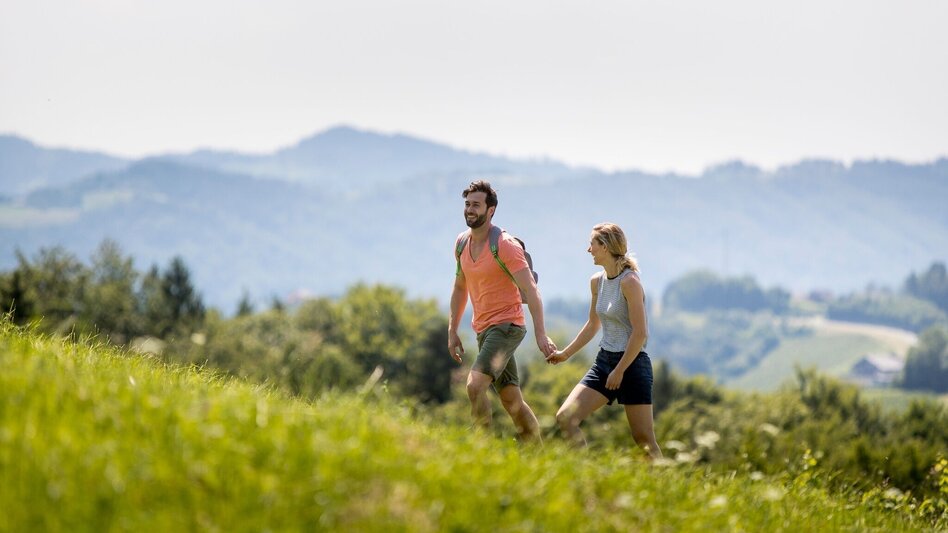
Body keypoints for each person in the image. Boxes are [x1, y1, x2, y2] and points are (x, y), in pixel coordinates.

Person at [448, 180, 556, 443]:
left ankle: (481, 450)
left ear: (491, 210)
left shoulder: (505, 245)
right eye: (467, 204)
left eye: (476, 205)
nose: (470, 210)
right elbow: (460, 287)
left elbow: (531, 290)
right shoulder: (462, 243)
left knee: (475, 386)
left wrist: (541, 335)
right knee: (511, 399)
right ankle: (536, 451)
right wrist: (452, 330)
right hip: (484, 330)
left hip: (507, 327)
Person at [546, 222, 662, 459]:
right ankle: (587, 478)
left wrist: (619, 371)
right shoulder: (596, 282)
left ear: (606, 247)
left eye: (592, 244)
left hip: (632, 364)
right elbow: (593, 324)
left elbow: (640, 333)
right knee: (566, 417)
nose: (588, 250)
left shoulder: (630, 282)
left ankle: (665, 487)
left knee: (644, 440)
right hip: (604, 362)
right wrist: (565, 354)